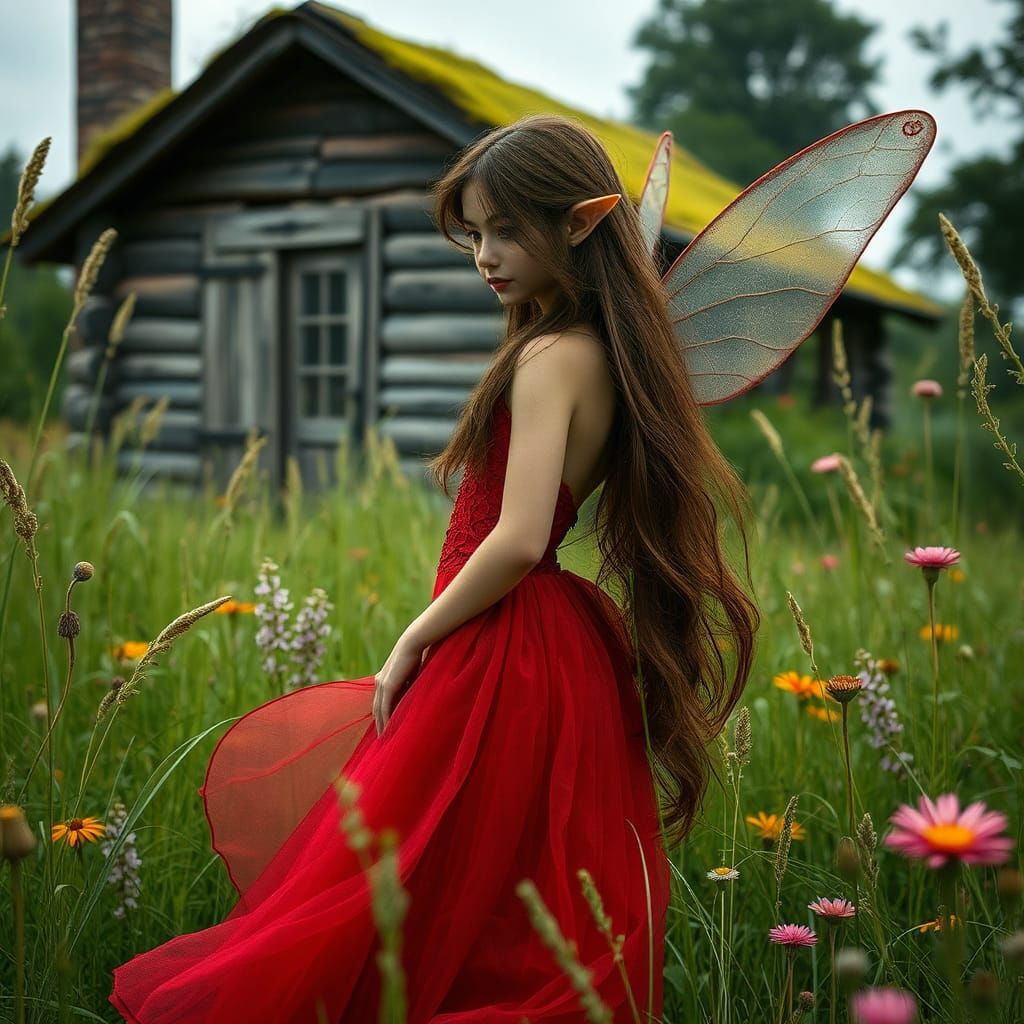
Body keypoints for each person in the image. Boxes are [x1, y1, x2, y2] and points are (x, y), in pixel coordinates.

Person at [109, 113, 760, 1023]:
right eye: (473, 232)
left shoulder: (547, 357)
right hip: (557, 650)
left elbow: (523, 535)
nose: (484, 255)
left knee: (414, 871)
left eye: (505, 229)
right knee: (504, 886)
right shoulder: (611, 356)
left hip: (501, 644)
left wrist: (416, 636)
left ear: (583, 221)